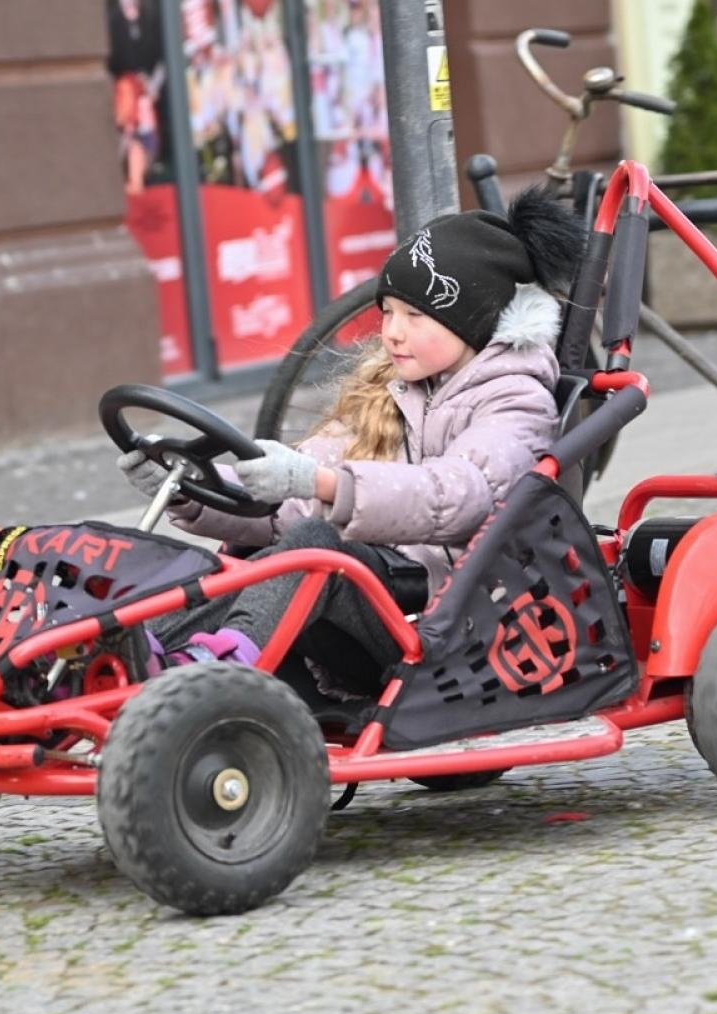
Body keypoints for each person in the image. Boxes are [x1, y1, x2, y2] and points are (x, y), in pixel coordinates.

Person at [117, 187, 585, 692]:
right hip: (379, 611)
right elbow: (285, 510)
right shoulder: (390, 393)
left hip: (454, 629)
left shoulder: (515, 401)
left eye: (414, 316)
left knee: (318, 548)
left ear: (470, 319)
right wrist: (192, 484)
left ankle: (218, 674)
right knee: (241, 558)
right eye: (387, 312)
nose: (392, 332)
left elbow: (457, 495)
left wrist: (322, 484)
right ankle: (135, 655)